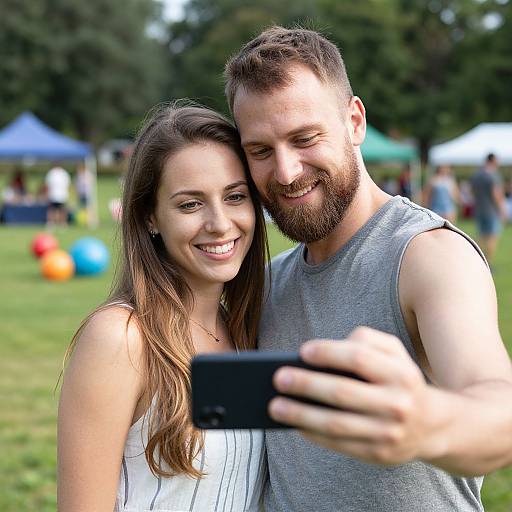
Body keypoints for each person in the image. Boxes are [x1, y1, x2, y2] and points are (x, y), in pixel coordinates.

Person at [225, 26, 512, 512]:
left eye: (305, 138)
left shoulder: (427, 255)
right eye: (260, 151)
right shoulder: (269, 282)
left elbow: (499, 410)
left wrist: (426, 422)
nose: (287, 170)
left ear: (354, 122)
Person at [57, 104, 269, 511]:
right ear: (151, 216)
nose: (221, 223)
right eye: (190, 204)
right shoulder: (121, 339)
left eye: (235, 196)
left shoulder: (248, 331)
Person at [470, 153, 507, 265]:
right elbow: (496, 193)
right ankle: (488, 263)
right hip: (492, 210)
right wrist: (502, 209)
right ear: (493, 161)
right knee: (492, 237)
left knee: (481, 236)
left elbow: (472, 192)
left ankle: (476, 261)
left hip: (479, 209)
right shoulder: (493, 175)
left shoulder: (477, 175)